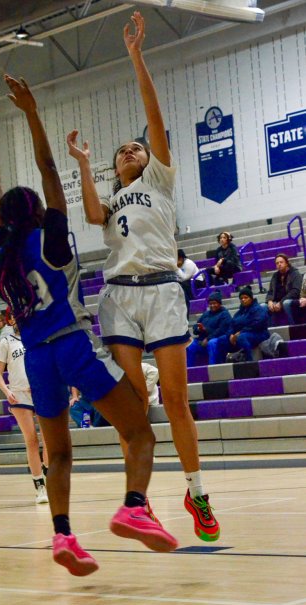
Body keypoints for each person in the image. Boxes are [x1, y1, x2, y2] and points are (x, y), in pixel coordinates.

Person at [0, 73, 178, 578]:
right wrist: (32, 113)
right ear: (42, 210)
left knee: (58, 452)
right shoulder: (53, 236)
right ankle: (132, 504)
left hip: (37, 358)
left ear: (3, 220)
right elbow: (46, 168)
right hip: (73, 345)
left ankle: (62, 534)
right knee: (140, 433)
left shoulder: (4, 257)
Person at [67, 12, 220, 543]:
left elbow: (153, 117)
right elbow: (89, 215)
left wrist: (135, 56)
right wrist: (86, 164)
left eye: (137, 147)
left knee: (175, 398)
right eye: (123, 151)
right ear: (116, 168)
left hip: (162, 290)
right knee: (136, 407)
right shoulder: (111, 200)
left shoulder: (159, 178)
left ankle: (196, 490)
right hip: (119, 296)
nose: (132, 150)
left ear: (150, 158)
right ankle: (139, 502)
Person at [0, 318, 49, 504]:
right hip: (18, 395)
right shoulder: (6, 341)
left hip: (40, 390)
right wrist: (7, 391)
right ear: (11, 320)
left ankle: (48, 475)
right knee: (31, 440)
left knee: (48, 438)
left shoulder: (37, 335)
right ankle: (39, 485)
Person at [207, 286, 270, 364]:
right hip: (240, 335)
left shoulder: (258, 309)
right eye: (241, 298)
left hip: (259, 333)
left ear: (251, 298)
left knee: (242, 337)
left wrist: (240, 332)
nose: (243, 300)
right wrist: (231, 335)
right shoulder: (239, 313)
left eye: (245, 297)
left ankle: (250, 363)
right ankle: (222, 365)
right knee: (222, 340)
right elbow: (232, 325)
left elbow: (257, 324)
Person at [186, 291, 233, 367]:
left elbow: (221, 330)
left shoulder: (224, 314)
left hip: (217, 339)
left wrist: (207, 337)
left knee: (212, 343)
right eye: (210, 304)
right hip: (202, 338)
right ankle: (190, 369)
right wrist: (198, 329)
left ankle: (212, 367)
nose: (212, 305)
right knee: (190, 345)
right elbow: (195, 326)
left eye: (214, 303)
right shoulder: (206, 314)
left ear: (219, 303)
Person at [263, 253, 302, 323]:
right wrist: (269, 301)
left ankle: (293, 327)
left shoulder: (295, 273)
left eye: (281, 262)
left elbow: (295, 291)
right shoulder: (275, 276)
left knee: (286, 303)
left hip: (291, 300)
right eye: (277, 263)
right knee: (263, 306)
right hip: (276, 302)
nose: (279, 264)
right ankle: (271, 330)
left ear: (287, 263)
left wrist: (281, 302)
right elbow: (270, 291)